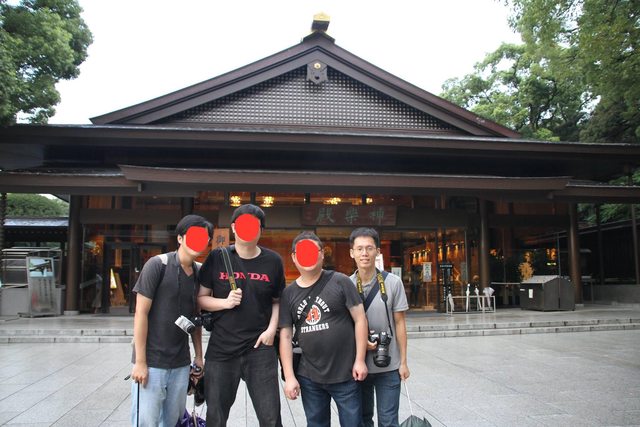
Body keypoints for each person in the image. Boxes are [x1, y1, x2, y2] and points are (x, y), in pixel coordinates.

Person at [198, 204, 285, 427]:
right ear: (234, 228)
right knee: (216, 417)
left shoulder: (273, 261)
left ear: (261, 230)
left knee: (271, 417)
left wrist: (271, 330)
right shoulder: (217, 257)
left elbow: (277, 301)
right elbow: (201, 298)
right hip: (221, 349)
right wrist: (225, 303)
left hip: (260, 348)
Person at [130, 214, 213, 426]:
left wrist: (199, 357)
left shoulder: (200, 272)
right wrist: (140, 362)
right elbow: (141, 313)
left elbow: (195, 319)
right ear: (180, 238)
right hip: (152, 362)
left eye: (203, 238)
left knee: (174, 421)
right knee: (146, 421)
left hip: (181, 363)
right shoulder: (158, 265)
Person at [279, 231, 368, 427]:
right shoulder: (288, 293)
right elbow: (285, 336)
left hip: (346, 374)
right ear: (294, 257)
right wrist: (290, 377)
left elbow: (360, 319)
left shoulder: (340, 281)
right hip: (309, 377)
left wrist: (360, 360)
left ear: (321, 254)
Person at [349, 227, 410, 427]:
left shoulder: (393, 283)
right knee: (362, 419)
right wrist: (360, 343)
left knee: (389, 420)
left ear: (377, 252)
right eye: (359, 249)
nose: (364, 253)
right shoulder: (345, 285)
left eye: (369, 248)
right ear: (352, 253)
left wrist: (403, 362)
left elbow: (400, 323)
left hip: (389, 365)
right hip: (358, 365)